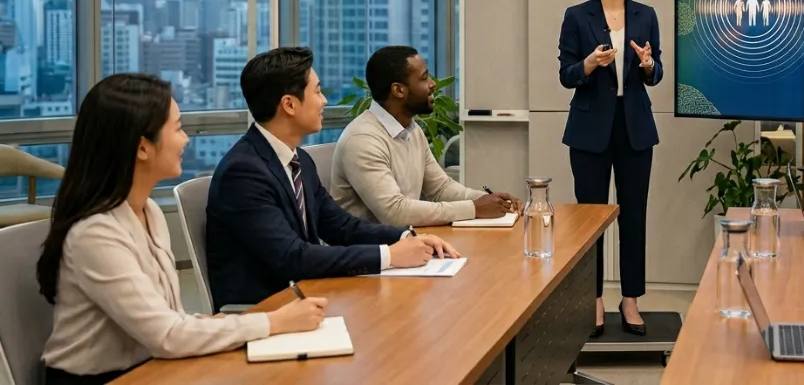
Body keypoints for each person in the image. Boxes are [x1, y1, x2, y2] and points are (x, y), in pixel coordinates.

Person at [37, 74, 326, 385]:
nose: (186, 139)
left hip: (152, 367)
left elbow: (169, 320)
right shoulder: (96, 234)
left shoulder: (149, 211)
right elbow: (167, 335)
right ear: (142, 148)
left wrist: (222, 325)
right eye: (177, 128)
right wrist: (273, 322)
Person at [206, 47, 458, 310]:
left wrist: (405, 236)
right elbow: (293, 257)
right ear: (289, 105)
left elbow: (342, 227)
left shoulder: (299, 161)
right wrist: (389, 255)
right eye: (317, 92)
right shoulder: (244, 173)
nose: (324, 101)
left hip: (308, 297)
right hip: (266, 311)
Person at [558, 0, 662, 338]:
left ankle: (630, 299)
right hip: (589, 131)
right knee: (590, 221)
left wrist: (648, 64)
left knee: (634, 217)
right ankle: (594, 298)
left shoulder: (646, 15)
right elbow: (566, 75)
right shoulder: (576, 16)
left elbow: (656, 72)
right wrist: (588, 64)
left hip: (635, 127)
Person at [331, 45, 520, 227]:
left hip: (406, 241)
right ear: (398, 90)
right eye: (424, 78)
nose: (432, 84)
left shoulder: (412, 130)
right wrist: (474, 208)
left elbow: (440, 189)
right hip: (372, 247)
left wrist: (489, 200)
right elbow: (394, 212)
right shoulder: (363, 139)